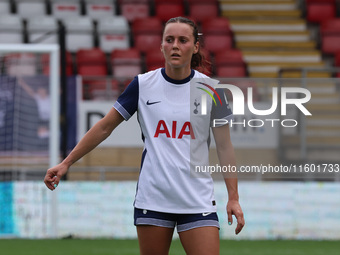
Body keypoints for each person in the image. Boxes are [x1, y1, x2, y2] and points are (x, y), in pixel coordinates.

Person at [44, 17, 245, 255]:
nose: (175, 46)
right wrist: (66, 163)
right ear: (161, 46)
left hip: (197, 199)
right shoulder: (142, 84)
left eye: (183, 40)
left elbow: (225, 147)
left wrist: (233, 197)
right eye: (169, 40)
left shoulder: (213, 91)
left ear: (195, 46)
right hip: (153, 198)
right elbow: (104, 127)